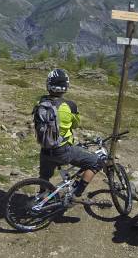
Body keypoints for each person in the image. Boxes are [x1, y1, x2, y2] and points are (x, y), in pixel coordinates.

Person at [33, 68, 103, 201]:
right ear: (66, 87)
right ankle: (76, 195)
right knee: (96, 163)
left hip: (45, 149)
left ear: (48, 85)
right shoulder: (70, 106)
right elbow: (75, 125)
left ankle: (43, 196)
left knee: (45, 177)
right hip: (62, 151)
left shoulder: (39, 102)